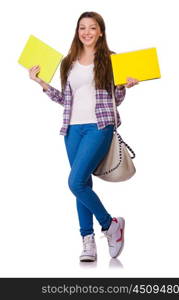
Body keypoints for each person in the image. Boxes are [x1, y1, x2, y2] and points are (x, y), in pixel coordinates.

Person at [29, 11, 139, 262]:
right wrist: (42, 84)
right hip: (72, 129)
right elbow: (66, 100)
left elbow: (115, 100)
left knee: (75, 182)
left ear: (101, 31)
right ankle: (87, 241)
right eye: (82, 28)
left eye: (92, 28)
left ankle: (110, 225)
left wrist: (124, 86)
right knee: (82, 185)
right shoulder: (69, 61)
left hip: (99, 126)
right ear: (77, 32)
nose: (87, 32)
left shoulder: (111, 59)